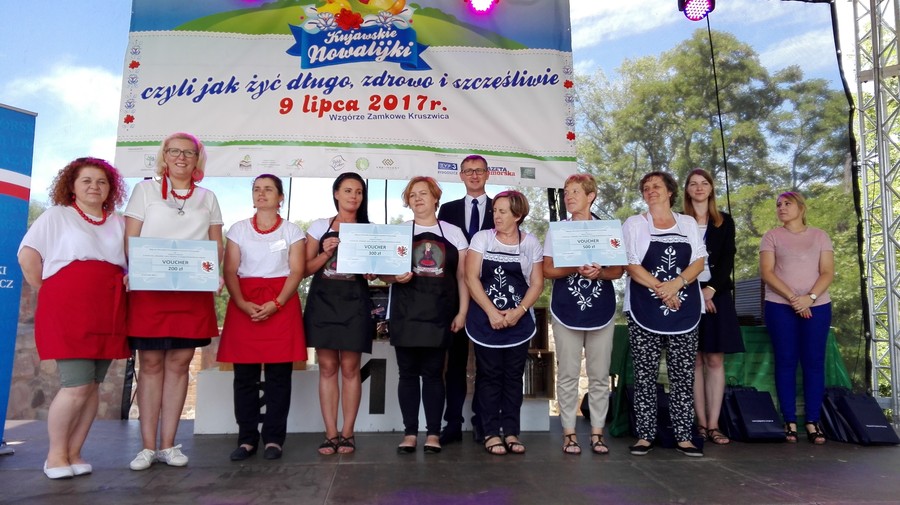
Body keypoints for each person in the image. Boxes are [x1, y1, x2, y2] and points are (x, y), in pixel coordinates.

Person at [18, 157, 129, 479]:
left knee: (93, 386)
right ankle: (55, 456)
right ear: (72, 185)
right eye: (87, 181)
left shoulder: (119, 222)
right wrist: (52, 290)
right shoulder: (57, 215)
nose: (95, 186)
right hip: (69, 307)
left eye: (102, 181)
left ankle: (75, 452)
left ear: (111, 188)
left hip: (108, 307)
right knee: (75, 384)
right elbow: (28, 256)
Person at [125, 132, 224, 470]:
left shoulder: (208, 197)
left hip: (192, 290)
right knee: (151, 364)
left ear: (198, 159)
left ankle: (168, 445)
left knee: (180, 364)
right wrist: (134, 269)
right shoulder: (144, 191)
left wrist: (214, 273)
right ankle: (146, 447)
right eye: (174, 151)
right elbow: (130, 238)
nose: (181, 157)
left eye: (189, 152)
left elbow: (216, 244)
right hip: (150, 289)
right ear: (164, 155)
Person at [218, 174, 307, 461]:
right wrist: (241, 303)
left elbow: (297, 271)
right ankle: (246, 439)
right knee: (244, 377)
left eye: (268, 189)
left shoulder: (292, 231)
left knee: (279, 377)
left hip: (281, 301)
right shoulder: (238, 229)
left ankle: (274, 439)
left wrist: (277, 303)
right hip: (244, 301)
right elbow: (230, 270)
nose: (261, 193)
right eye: (257, 189)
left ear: (281, 197)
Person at [623, 171, 706, 458]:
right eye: (646, 188)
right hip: (643, 307)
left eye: (656, 186)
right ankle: (645, 435)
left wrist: (676, 285)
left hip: (685, 308)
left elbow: (699, 261)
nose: (650, 191)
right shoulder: (634, 223)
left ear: (670, 191)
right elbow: (631, 264)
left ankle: (684, 436)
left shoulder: (688, 223)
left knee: (682, 375)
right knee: (644, 375)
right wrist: (664, 290)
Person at [385, 177, 469, 454]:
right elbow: (384, 274)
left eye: (423, 193)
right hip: (405, 314)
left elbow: (463, 277)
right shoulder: (399, 231)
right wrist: (394, 277)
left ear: (435, 198)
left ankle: (433, 433)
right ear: (408, 202)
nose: (418, 198)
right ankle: (410, 433)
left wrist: (462, 311)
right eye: (412, 195)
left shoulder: (454, 233)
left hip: (440, 315)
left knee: (434, 375)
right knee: (407, 374)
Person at [543, 174, 623, 455]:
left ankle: (597, 433)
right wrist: (575, 267)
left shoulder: (607, 229)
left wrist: (600, 273)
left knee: (599, 375)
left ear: (591, 196)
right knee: (567, 374)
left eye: (575, 191)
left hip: (601, 310)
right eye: (566, 192)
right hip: (565, 309)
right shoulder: (558, 231)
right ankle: (569, 433)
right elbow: (547, 269)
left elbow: (618, 270)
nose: (568, 197)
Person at [465, 191, 543, 456]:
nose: (496, 216)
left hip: (518, 323)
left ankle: (510, 431)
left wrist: (518, 312)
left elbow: (537, 284)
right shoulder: (482, 238)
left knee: (513, 377)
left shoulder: (530, 243)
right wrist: (492, 312)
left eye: (502, 212)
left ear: (517, 215)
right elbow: (471, 277)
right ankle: (490, 432)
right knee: (489, 376)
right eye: (495, 211)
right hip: (485, 321)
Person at [304, 172, 375, 455]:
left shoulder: (369, 229)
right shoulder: (319, 226)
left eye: (358, 192)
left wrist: (372, 271)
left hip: (355, 304)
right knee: (327, 368)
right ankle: (330, 433)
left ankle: (348, 433)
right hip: (323, 303)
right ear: (336, 193)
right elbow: (304, 269)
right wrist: (324, 253)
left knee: (350, 369)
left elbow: (377, 272)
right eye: (348, 190)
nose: (353, 196)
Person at [759, 191, 834, 445]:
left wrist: (809, 298)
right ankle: (789, 421)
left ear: (801, 208)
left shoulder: (820, 236)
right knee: (786, 361)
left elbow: (827, 272)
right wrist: (794, 299)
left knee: (814, 362)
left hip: (817, 306)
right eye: (778, 204)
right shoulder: (771, 236)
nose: (781, 207)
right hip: (780, 306)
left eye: (787, 203)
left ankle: (813, 421)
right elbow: (767, 272)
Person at [683, 169, 744, 446]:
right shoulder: (679, 221)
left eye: (704, 183)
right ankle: (700, 423)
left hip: (717, 294)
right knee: (694, 360)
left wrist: (711, 290)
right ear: (686, 190)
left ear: (711, 189)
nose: (699, 188)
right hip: (686, 293)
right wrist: (696, 292)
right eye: (693, 184)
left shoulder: (725, 221)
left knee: (715, 360)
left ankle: (714, 424)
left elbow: (728, 259)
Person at [436, 154, 493, 444]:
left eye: (479, 170)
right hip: (456, 295)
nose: (474, 175)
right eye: (468, 171)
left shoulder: (501, 207)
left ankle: (483, 422)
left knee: (486, 364)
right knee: (455, 363)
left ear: (487, 174)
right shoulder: (447, 210)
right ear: (460, 176)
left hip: (490, 294)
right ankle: (453, 424)